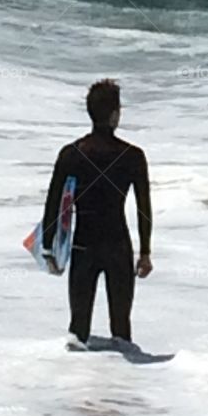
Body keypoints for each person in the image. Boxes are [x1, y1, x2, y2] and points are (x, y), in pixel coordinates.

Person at [41, 79, 152, 349]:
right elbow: (143, 208)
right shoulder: (133, 156)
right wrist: (145, 253)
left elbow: (53, 203)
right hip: (118, 246)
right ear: (114, 115)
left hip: (84, 246)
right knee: (121, 330)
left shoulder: (71, 154)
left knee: (78, 332)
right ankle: (124, 373)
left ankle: (72, 374)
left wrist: (48, 248)